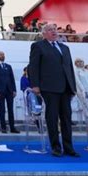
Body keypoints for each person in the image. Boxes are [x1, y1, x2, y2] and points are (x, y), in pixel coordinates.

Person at [28, 23, 79, 157]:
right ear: (44, 33)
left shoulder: (65, 48)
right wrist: (35, 85)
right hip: (49, 88)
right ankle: (56, 147)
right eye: (50, 30)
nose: (54, 32)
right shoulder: (38, 46)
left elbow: (70, 69)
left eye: (55, 29)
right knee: (52, 118)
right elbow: (33, 67)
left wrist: (73, 87)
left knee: (66, 119)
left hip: (66, 89)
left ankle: (69, 147)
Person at [0, 51, 19, 134]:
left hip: (9, 90)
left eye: (3, 54)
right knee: (2, 109)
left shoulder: (8, 66)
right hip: (0, 91)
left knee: (10, 109)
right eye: (1, 54)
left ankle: (12, 127)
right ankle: (3, 127)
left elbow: (12, 79)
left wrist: (14, 90)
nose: (2, 56)